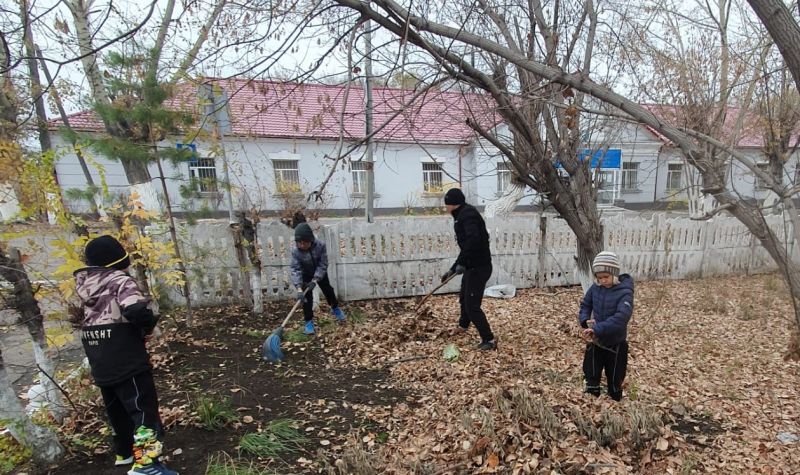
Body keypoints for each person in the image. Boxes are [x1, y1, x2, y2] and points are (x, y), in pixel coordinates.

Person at [74, 235, 178, 475]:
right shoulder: (120, 281)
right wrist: (147, 328)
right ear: (119, 261)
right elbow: (137, 311)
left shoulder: (85, 285)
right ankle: (147, 464)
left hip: (97, 353)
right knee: (143, 408)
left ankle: (125, 452)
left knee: (116, 406)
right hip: (123, 353)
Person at [440, 188, 497, 351]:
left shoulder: (467, 215)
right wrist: (452, 269)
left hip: (479, 267)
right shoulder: (462, 215)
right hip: (472, 265)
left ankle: (489, 339)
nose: (446, 208)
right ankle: (463, 325)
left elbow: (473, 240)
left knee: (472, 304)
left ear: (452, 204)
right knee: (464, 297)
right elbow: (466, 246)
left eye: (447, 204)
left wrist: (462, 263)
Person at [578, 251, 634, 401]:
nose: (603, 280)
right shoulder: (595, 288)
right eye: (599, 277)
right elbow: (585, 305)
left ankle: (615, 400)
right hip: (596, 339)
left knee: (615, 376)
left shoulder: (625, 292)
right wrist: (585, 321)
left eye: (606, 277)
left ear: (614, 274)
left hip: (616, 342)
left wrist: (598, 328)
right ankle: (591, 397)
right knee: (591, 371)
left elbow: (621, 317)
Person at [290, 222, 346, 334]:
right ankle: (308, 322)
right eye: (299, 243)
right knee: (306, 299)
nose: (302, 245)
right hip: (306, 274)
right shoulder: (296, 251)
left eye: (304, 242)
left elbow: (323, 263)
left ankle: (335, 308)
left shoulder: (320, 245)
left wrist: (315, 280)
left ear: (310, 240)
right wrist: (299, 288)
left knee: (328, 290)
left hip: (320, 272)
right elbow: (295, 269)